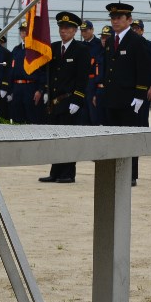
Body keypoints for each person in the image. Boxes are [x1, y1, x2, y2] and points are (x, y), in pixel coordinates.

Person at [100, 2, 151, 186]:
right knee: (113, 138)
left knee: (129, 138)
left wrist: (139, 95)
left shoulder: (136, 41)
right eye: (113, 18)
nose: (115, 21)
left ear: (129, 20)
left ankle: (131, 174)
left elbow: (144, 69)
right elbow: (108, 69)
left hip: (130, 100)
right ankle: (116, 172)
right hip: (112, 98)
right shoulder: (109, 42)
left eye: (119, 18)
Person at [38, 11, 90, 183]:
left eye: (67, 28)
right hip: (54, 101)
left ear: (75, 30)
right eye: (61, 27)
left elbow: (83, 78)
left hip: (69, 100)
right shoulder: (53, 47)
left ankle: (68, 173)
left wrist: (78, 99)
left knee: (68, 138)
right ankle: (55, 171)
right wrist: (46, 91)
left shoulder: (81, 50)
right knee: (55, 137)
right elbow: (48, 73)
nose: (63, 31)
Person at [8, 21, 46, 124]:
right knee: (17, 118)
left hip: (31, 87)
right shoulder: (16, 50)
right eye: (22, 31)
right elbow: (11, 71)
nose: (24, 33)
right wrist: (9, 89)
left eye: (27, 31)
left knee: (31, 118)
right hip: (17, 88)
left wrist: (40, 89)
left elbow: (42, 72)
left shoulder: (37, 51)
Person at [79, 20, 105, 125]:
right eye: (82, 31)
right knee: (82, 116)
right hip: (82, 82)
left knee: (94, 115)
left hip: (93, 82)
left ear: (92, 30)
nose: (84, 33)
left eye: (86, 30)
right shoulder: (80, 46)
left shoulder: (99, 45)